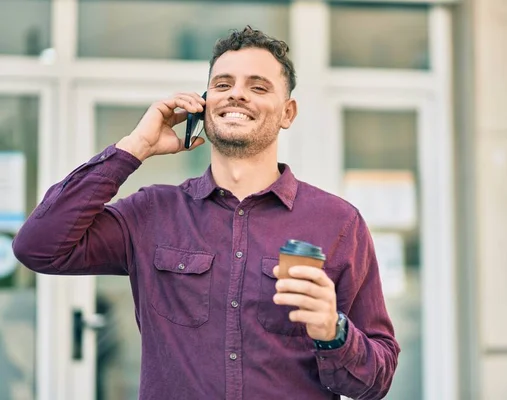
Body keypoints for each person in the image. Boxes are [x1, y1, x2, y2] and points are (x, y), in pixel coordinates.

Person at [12, 26, 400, 400]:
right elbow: (39, 247)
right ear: (203, 102)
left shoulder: (338, 224)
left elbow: (376, 382)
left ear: (287, 113)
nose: (237, 95)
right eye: (222, 84)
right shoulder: (151, 213)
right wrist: (135, 147)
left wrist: (333, 331)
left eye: (258, 86)